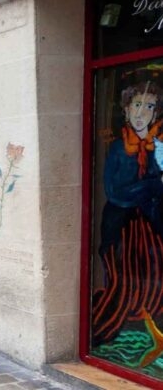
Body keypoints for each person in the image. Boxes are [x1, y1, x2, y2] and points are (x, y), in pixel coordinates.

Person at [92, 78, 163, 344]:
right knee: (123, 282)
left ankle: (150, 329)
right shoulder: (119, 148)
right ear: (126, 109)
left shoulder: (158, 146)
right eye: (136, 105)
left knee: (154, 279)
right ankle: (112, 328)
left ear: (156, 112)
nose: (141, 113)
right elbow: (116, 193)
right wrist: (154, 185)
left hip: (151, 227)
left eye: (148, 107)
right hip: (122, 228)